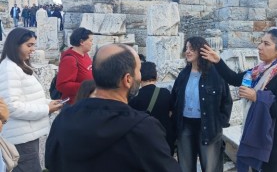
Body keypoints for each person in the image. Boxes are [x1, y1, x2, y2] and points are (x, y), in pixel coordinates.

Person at [45, 44, 181, 172]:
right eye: (138, 70)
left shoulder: (65, 118)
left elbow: (51, 162)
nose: (140, 75)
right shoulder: (144, 128)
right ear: (128, 79)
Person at [201, 28, 277, 172]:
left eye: (266, 44)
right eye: (260, 42)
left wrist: (256, 97)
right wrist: (217, 61)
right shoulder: (259, 71)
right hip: (259, 142)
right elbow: (234, 79)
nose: (260, 47)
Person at [0, 28, 62, 172]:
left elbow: (28, 97)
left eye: (34, 45)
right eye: (29, 45)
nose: (33, 49)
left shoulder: (19, 65)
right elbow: (12, 107)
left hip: (27, 134)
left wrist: (49, 103)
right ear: (15, 45)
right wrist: (46, 109)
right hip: (20, 137)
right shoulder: (9, 68)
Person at [171, 36, 232, 172]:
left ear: (201, 51)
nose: (188, 51)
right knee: (185, 167)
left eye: (192, 49)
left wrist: (219, 122)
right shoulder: (183, 74)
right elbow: (174, 98)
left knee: (210, 167)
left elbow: (227, 100)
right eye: (186, 48)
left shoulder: (216, 74)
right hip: (185, 125)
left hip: (209, 127)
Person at [129, 61, 175, 155]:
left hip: (144, 143)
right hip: (164, 141)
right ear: (156, 76)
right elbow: (171, 113)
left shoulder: (134, 99)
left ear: (139, 77)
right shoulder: (165, 93)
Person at [56, 27, 93, 105]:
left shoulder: (85, 54)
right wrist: (89, 86)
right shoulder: (70, 60)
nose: (92, 43)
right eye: (90, 41)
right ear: (82, 42)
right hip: (74, 104)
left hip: (86, 101)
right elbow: (62, 85)